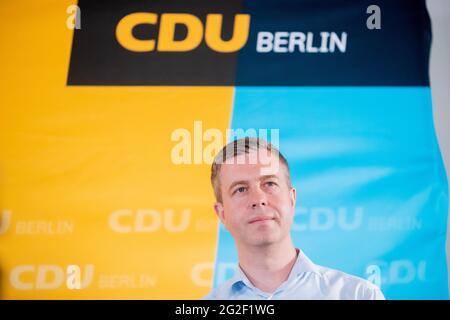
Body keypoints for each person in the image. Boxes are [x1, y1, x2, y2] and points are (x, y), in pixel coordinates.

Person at [204, 137, 385, 300]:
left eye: (269, 184)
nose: (258, 199)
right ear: (222, 214)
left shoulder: (359, 295)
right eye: (241, 189)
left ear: (291, 199)